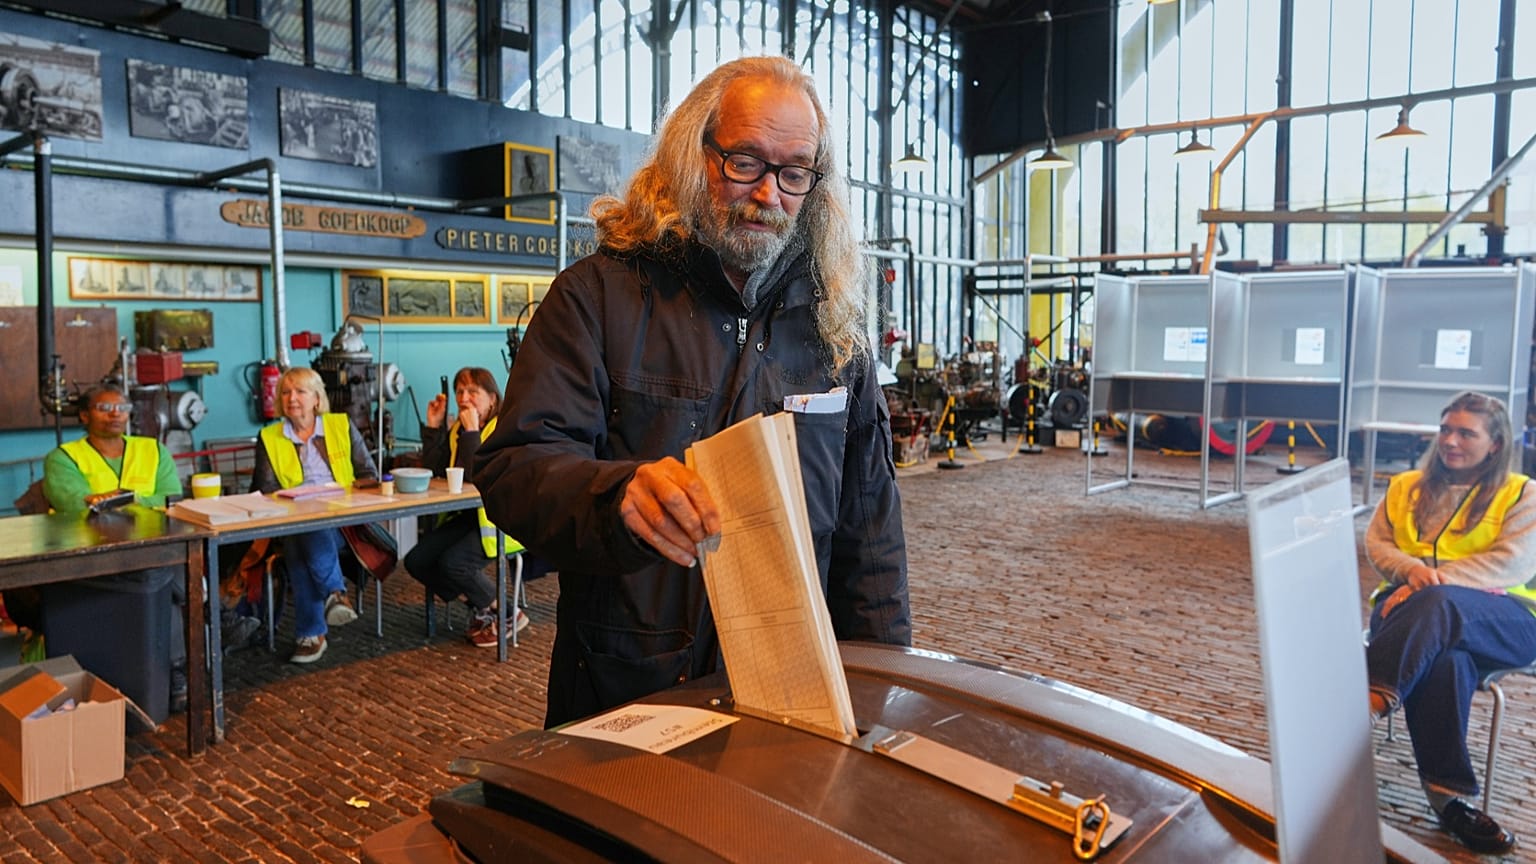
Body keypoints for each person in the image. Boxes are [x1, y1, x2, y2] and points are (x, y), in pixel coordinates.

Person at [475, 55, 910, 728]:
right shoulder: (596, 298)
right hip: (628, 695)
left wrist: (881, 696)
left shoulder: (833, 332)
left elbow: (870, 543)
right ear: (691, 152)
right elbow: (516, 466)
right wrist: (615, 496)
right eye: (745, 162)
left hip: (791, 700)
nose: (768, 194)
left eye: (794, 173)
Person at [1365, 390, 1536, 856]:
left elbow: (1514, 562)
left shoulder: (1522, 492)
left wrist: (1430, 584)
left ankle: (1362, 704)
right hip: (1409, 617)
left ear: (1495, 444)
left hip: (1504, 621)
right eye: (1445, 429)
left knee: (1439, 605)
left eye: (1465, 433)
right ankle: (1451, 799)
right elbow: (1378, 545)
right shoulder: (1405, 487)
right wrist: (1411, 571)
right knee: (1446, 661)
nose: (1450, 440)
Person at [42, 384, 187, 715]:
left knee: (167, 571)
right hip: (92, 554)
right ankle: (180, 665)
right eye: (104, 408)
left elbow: (170, 497)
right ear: (84, 415)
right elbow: (73, 505)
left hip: (152, 544)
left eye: (122, 408)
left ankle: (176, 669)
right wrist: (140, 501)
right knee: (171, 578)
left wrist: (114, 502)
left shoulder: (153, 450)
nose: (115, 415)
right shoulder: (63, 458)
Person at [251, 367, 376, 664]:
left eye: (300, 391)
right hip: (294, 520)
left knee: (303, 540)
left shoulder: (340, 425)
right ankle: (333, 593)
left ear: (317, 399)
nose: (292, 398)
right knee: (304, 529)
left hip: (345, 524)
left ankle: (311, 634)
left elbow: (368, 474)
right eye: (285, 392)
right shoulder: (270, 436)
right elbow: (265, 490)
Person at [405, 367, 529, 647]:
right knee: (418, 561)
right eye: (460, 391)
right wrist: (433, 427)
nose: (463, 398)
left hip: (502, 519)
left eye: (473, 392)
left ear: (492, 399)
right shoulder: (457, 431)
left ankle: (509, 613)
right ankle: (484, 607)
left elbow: (477, 476)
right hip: (470, 514)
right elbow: (438, 471)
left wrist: (472, 432)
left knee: (455, 563)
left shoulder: (504, 429)